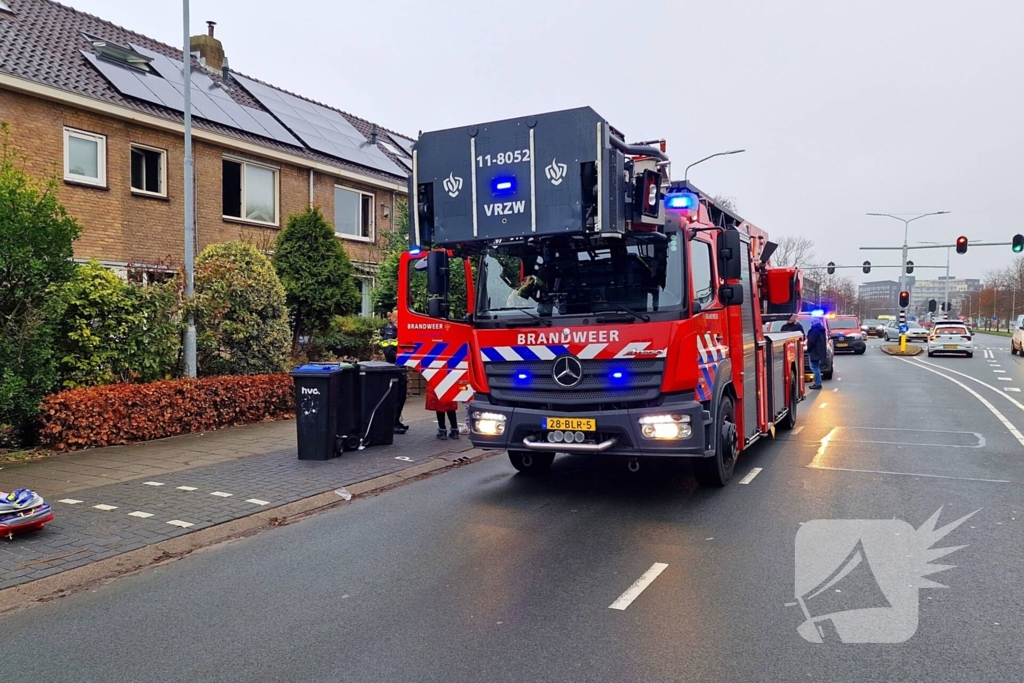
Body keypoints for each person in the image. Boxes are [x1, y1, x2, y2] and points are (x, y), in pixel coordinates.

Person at [380, 310, 408, 434]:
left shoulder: (396, 330)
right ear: (396, 319)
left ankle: (396, 421)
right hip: (394, 368)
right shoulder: (390, 331)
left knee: (401, 397)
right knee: (396, 397)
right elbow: (389, 351)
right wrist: (403, 358)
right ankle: (393, 424)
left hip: (399, 368)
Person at [805, 318, 827, 390]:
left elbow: (811, 341)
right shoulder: (820, 329)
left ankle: (818, 383)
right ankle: (818, 382)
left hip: (814, 351)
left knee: (814, 367)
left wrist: (809, 349)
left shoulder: (814, 330)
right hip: (818, 351)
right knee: (816, 367)